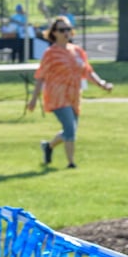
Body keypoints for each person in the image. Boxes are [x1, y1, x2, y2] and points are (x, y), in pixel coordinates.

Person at [26, 15, 113, 169]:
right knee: (70, 129)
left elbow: (87, 71)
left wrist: (102, 84)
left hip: (74, 95)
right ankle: (71, 163)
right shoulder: (50, 53)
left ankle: (48, 146)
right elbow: (40, 76)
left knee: (69, 129)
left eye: (68, 29)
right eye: (61, 30)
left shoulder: (78, 51)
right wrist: (33, 99)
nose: (66, 32)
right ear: (54, 33)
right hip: (56, 95)